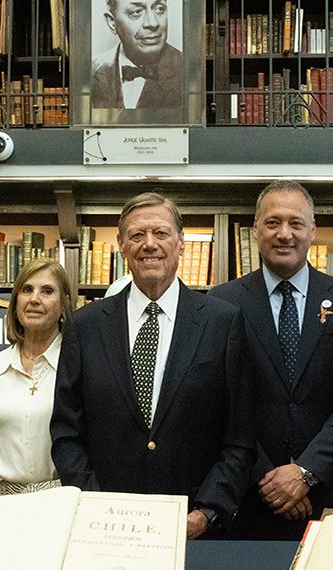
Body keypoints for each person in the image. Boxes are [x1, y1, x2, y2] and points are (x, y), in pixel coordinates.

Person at [51, 192, 252, 539]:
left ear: (180, 243)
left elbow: (240, 436)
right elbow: (67, 433)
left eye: (160, 233)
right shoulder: (85, 325)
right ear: (122, 246)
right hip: (105, 529)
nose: (150, 245)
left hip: (194, 528)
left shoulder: (223, 323)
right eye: (137, 235)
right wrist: (94, 506)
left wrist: (207, 511)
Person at [209, 180, 333, 540]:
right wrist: (269, 479)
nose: (284, 234)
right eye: (272, 223)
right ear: (255, 230)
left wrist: (305, 472)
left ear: (312, 230)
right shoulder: (221, 304)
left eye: (296, 223)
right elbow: (220, 404)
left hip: (330, 494)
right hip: (249, 496)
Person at [0, 258, 73, 496]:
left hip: (66, 499)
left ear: (64, 304)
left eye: (47, 291)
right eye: (26, 290)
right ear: (15, 303)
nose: (34, 299)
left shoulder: (79, 367)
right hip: (5, 504)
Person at [91, 0, 182, 109]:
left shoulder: (189, 70)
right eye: (136, 12)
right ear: (112, 23)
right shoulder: (90, 70)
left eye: (159, 9)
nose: (153, 23)